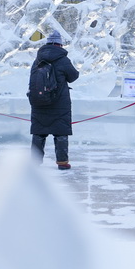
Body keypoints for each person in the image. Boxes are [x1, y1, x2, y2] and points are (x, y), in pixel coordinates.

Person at [29, 31, 80, 170]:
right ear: (60, 44)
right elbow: (73, 77)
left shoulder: (37, 60)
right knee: (61, 133)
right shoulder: (63, 59)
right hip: (59, 102)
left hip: (39, 102)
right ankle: (62, 162)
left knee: (39, 133)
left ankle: (34, 162)